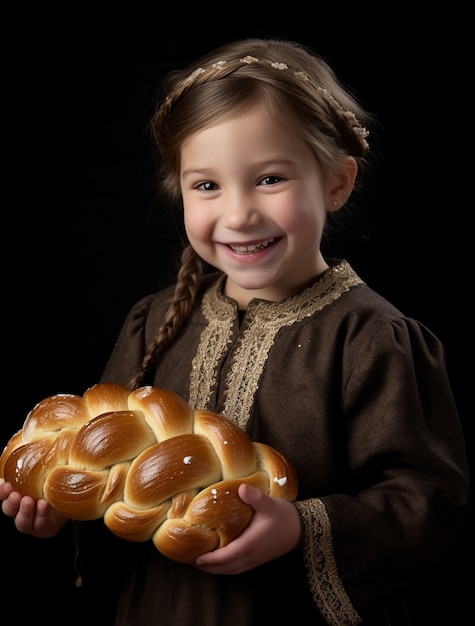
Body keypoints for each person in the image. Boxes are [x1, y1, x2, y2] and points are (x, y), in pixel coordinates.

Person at [0, 37, 470, 625]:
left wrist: (302, 527)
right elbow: (111, 475)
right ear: (180, 190)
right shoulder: (152, 322)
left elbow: (428, 500)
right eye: (207, 185)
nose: (239, 213)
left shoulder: (372, 338)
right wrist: (62, 510)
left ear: (337, 183)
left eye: (270, 179)